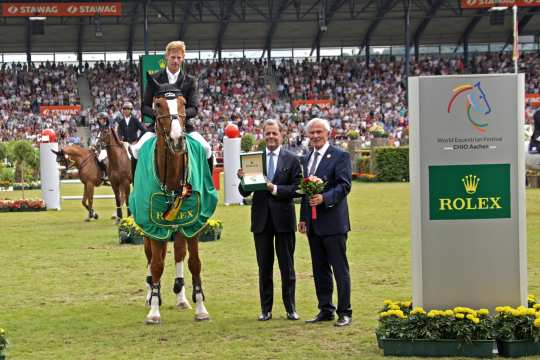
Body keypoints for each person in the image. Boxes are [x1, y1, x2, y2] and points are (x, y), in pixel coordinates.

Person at [237, 119, 302, 321]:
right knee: (264, 267)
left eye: (275, 133)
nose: (271, 137)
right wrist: (243, 179)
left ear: (282, 135)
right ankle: (266, 309)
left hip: (284, 220)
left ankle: (290, 308)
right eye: (268, 134)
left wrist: (274, 189)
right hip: (261, 220)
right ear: (263, 135)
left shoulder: (292, 159)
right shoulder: (254, 159)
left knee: (287, 267)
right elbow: (244, 192)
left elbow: (297, 189)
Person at [298, 117, 352, 327]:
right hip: (313, 224)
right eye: (312, 133)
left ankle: (345, 311)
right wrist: (303, 217)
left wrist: (325, 198)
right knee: (319, 268)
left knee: (340, 269)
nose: (315, 136)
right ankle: (325, 309)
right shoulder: (307, 158)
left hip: (333, 222)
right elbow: (305, 191)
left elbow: (345, 185)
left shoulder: (340, 155)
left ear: (328, 133)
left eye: (319, 132)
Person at [130, 40, 198, 159]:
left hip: (184, 126)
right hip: (158, 127)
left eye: (178, 57)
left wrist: (177, 115)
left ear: (183, 58)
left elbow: (194, 108)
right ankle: (135, 178)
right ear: (166, 56)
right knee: (136, 150)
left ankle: (205, 178)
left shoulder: (190, 80)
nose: (176, 61)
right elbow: (144, 107)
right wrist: (160, 115)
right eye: (173, 57)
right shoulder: (154, 78)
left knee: (207, 149)